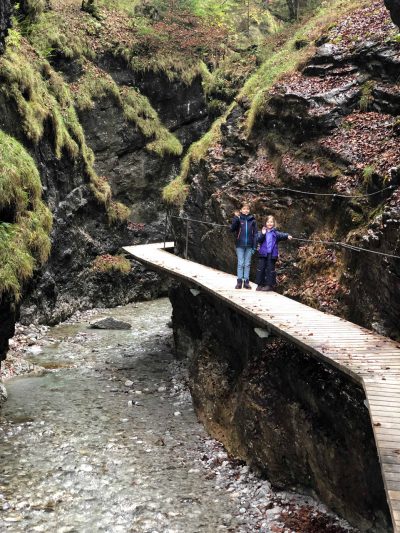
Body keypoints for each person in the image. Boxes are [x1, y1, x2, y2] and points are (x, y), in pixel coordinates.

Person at [256, 215, 292, 292]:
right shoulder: (262, 231)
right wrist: (263, 233)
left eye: (271, 222)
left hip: (272, 254)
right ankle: (260, 284)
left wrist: (287, 236)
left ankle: (269, 285)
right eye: (268, 222)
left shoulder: (275, 233)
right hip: (263, 253)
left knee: (270, 269)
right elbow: (259, 239)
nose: (270, 223)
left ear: (274, 223)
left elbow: (282, 235)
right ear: (265, 223)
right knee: (261, 268)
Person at [230, 203, 258, 289]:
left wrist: (254, 246)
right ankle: (239, 282)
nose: (246, 210)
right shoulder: (238, 219)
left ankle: (246, 282)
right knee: (240, 263)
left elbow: (255, 234)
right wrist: (235, 218)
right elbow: (232, 229)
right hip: (240, 244)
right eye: (244, 209)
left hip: (249, 245)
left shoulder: (253, 221)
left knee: (247, 264)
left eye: (247, 209)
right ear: (241, 210)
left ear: (249, 211)